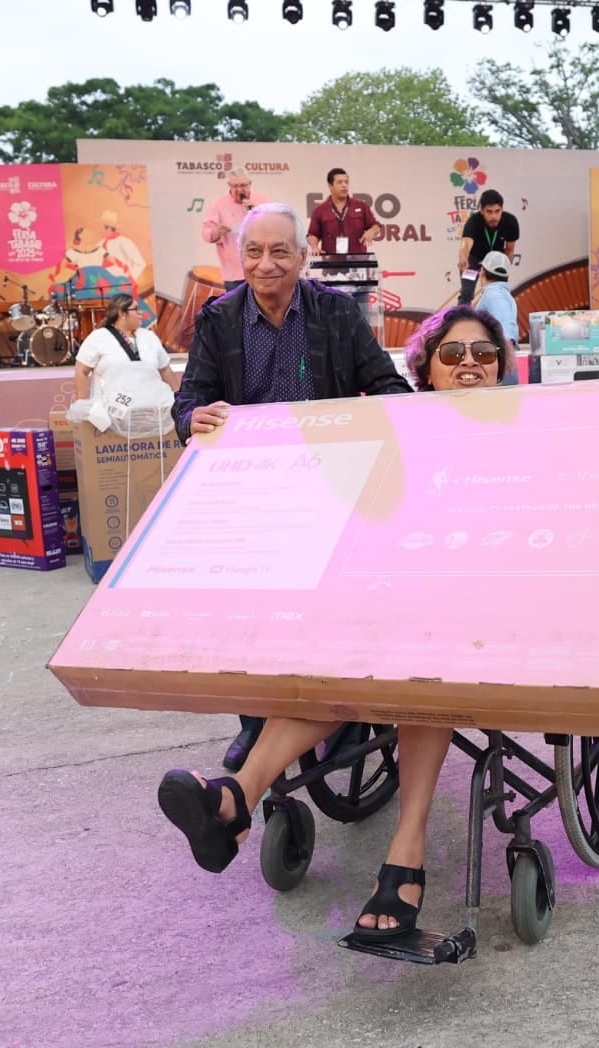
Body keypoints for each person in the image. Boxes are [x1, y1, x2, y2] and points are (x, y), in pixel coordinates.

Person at [158, 305, 507, 941]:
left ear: (503, 367)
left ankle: (407, 846)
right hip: (395, 588)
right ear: (425, 369)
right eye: (452, 355)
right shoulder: (400, 427)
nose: (469, 366)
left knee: (417, 662)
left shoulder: (530, 426)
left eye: (483, 354)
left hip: (484, 597)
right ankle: (235, 797)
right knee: (337, 655)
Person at [172, 202, 411, 770]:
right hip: (251, 492)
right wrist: (192, 419)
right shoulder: (218, 318)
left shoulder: (336, 314)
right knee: (246, 613)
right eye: (254, 251)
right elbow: (187, 401)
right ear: (241, 255)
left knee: (335, 609)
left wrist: (379, 419)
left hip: (331, 487)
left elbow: (386, 383)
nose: (265, 264)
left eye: (280, 251)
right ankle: (255, 721)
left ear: (303, 257)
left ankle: (349, 721)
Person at [73, 293, 179, 402]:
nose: (140, 312)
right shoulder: (99, 337)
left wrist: (179, 400)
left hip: (148, 410)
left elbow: (165, 369)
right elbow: (81, 371)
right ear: (122, 313)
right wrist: (82, 404)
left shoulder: (149, 337)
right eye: (136, 309)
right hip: (108, 412)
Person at [202, 169, 268, 294]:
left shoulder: (261, 201)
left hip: (261, 270)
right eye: (235, 186)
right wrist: (216, 232)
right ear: (229, 186)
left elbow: (276, 225)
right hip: (235, 273)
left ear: (250, 184)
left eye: (243, 185)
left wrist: (258, 211)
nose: (239, 190)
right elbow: (207, 233)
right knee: (236, 311)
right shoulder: (219, 204)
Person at [457, 190, 519, 306]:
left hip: (496, 259)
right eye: (489, 212)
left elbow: (509, 250)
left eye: (497, 211)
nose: (493, 216)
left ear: (502, 209)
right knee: (467, 293)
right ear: (482, 210)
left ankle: (498, 320)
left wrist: (505, 268)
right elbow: (466, 243)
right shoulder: (473, 222)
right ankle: (462, 320)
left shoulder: (511, 222)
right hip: (473, 259)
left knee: (498, 292)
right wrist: (463, 257)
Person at [306, 168, 381, 257]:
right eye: (340, 182)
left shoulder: (361, 205)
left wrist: (372, 231)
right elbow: (313, 234)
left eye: (346, 182)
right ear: (330, 186)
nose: (344, 185)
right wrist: (315, 247)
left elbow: (376, 226)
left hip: (358, 262)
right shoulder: (320, 210)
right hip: (331, 263)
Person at [471, 251, 521, 385]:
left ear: (482, 272)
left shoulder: (493, 294)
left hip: (499, 363)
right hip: (499, 361)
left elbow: (506, 326)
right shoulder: (503, 294)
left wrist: (506, 357)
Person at [99, 210, 147, 288]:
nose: (99, 229)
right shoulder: (100, 244)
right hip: (104, 285)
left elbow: (140, 263)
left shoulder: (124, 241)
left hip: (121, 284)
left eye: (102, 226)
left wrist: (129, 280)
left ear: (109, 227)